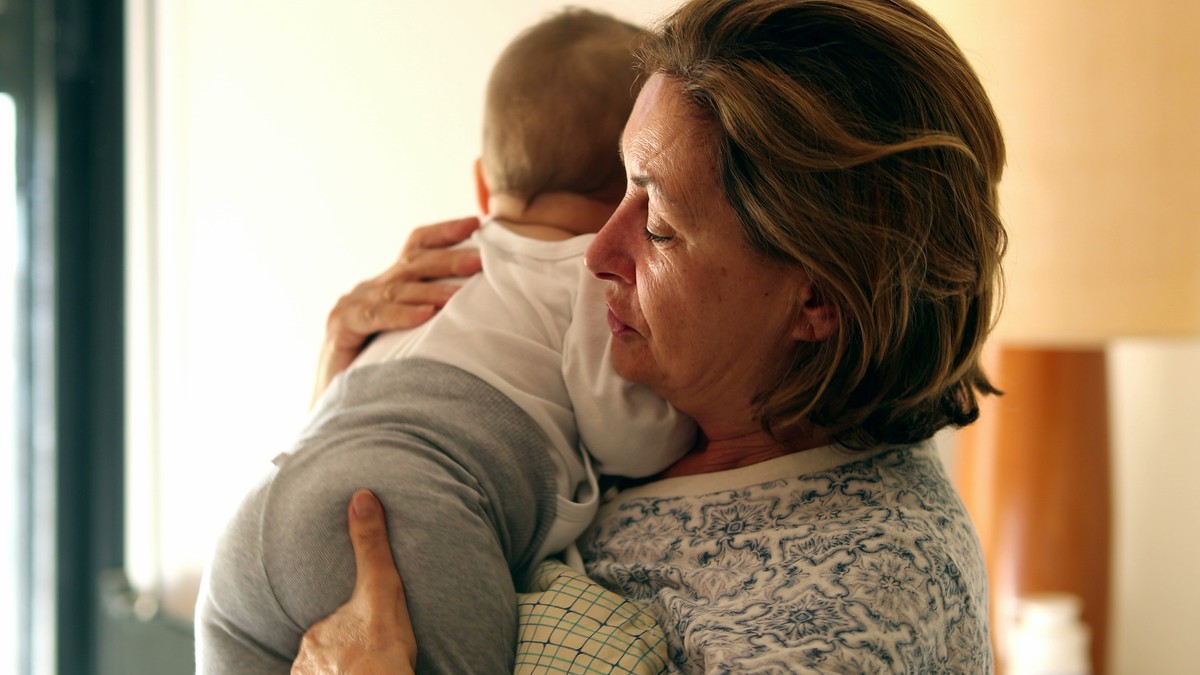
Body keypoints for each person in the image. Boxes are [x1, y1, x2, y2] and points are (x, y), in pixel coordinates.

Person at [293, 0, 1009, 672]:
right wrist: (347, 384)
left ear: (816, 297)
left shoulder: (861, 602)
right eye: (621, 186)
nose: (596, 252)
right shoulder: (654, 415)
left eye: (658, 223)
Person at [194, 8, 696, 674]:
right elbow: (633, 438)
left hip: (262, 513)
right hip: (417, 513)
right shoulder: (586, 275)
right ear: (630, 193)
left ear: (484, 182)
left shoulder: (430, 265)